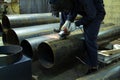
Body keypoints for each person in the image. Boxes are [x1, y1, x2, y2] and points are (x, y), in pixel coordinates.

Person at [50, 0, 106, 74]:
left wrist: (76, 24)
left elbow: (91, 15)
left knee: (90, 38)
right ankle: (88, 59)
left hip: (96, 14)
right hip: (87, 11)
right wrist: (68, 21)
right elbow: (74, 7)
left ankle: (94, 66)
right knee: (86, 34)